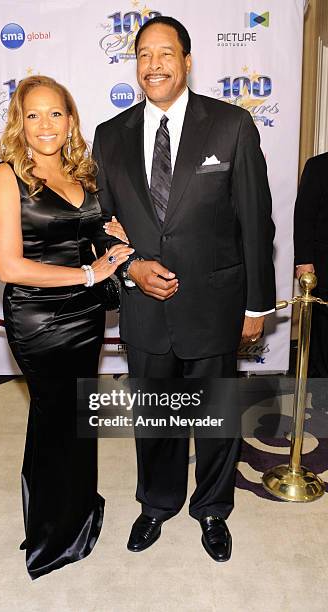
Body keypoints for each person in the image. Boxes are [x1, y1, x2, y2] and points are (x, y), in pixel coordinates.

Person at [94, 16, 276, 562]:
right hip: (145, 309)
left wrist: (257, 304)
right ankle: (157, 503)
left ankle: (214, 509)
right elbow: (101, 225)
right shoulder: (109, 135)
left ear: (187, 60)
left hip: (215, 306)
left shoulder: (231, 125)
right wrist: (131, 271)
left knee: (216, 419)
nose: (154, 65)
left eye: (166, 54)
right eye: (144, 54)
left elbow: (255, 221)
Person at [0, 75, 133, 579]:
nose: (45, 124)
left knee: (79, 413)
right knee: (52, 417)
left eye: (56, 113)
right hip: (38, 319)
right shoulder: (7, 176)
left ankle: (80, 511)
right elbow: (10, 266)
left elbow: (90, 239)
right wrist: (88, 274)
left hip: (85, 317)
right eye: (33, 115)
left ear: (70, 120)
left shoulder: (83, 174)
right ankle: (51, 537)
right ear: (19, 123)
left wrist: (113, 240)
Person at [294, 153, 328, 409]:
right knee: (323, 332)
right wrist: (303, 262)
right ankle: (323, 394)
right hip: (324, 268)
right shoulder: (319, 166)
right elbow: (303, 218)